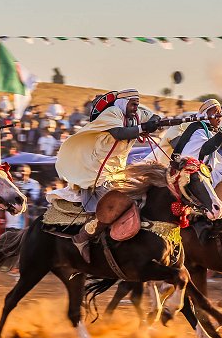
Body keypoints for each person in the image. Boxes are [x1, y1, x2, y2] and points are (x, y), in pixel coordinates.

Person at [51, 88, 160, 260]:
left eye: (137, 105)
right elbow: (119, 133)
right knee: (116, 205)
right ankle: (82, 238)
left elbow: (154, 117)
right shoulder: (113, 113)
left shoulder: (136, 114)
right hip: (97, 173)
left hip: (118, 173)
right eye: (133, 104)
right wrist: (144, 127)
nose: (135, 108)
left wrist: (155, 122)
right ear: (123, 103)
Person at [172, 98, 222, 186]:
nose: (219, 116)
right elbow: (204, 150)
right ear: (205, 114)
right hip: (201, 177)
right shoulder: (198, 130)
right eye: (216, 113)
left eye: (220, 113)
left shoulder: (219, 131)